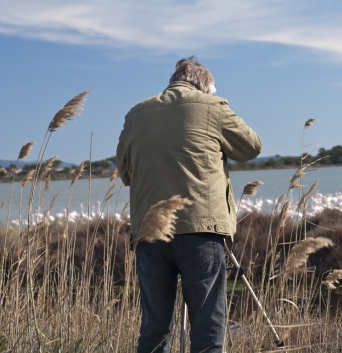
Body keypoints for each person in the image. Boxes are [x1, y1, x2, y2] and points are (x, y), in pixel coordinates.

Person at [116, 56, 262, 353]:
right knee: (207, 328)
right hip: (201, 229)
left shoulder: (136, 114)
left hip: (150, 233)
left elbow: (125, 173)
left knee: (154, 330)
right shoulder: (212, 106)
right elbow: (251, 147)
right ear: (205, 86)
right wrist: (217, 104)